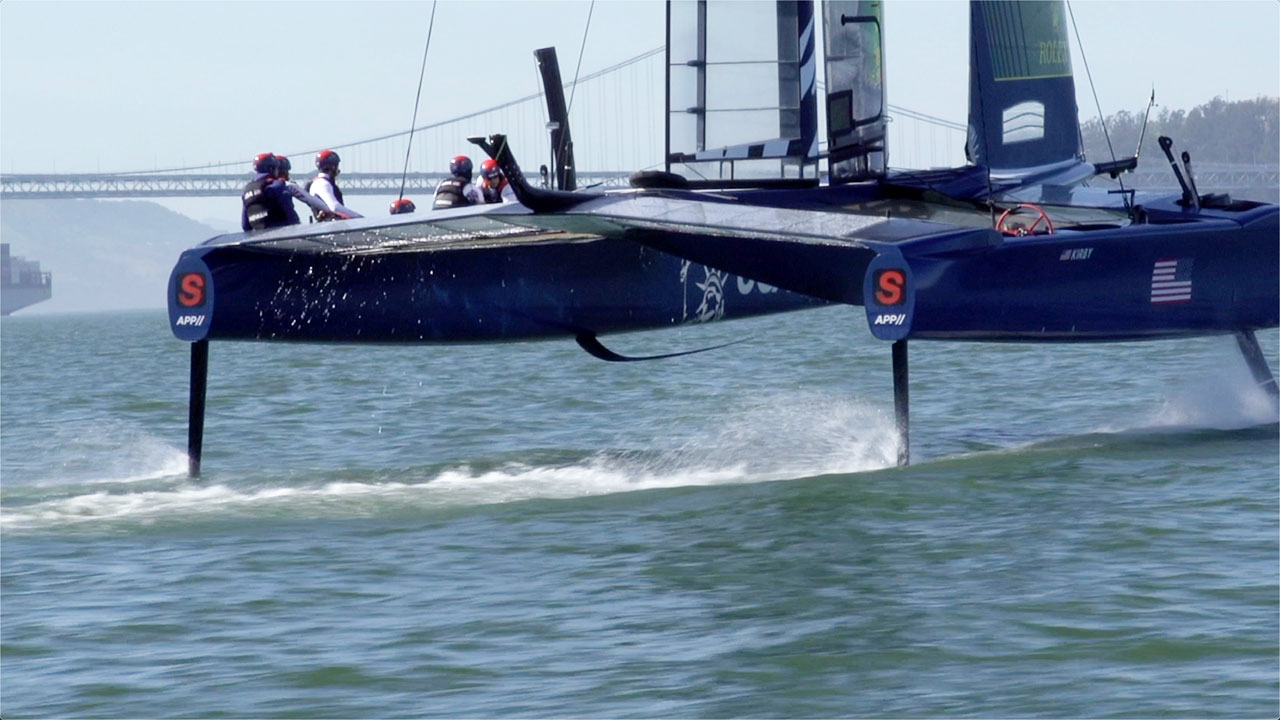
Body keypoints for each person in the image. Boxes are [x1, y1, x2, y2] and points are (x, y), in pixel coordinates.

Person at [241, 152, 299, 232]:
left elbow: (245, 225)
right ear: (272, 169)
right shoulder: (277, 186)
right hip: (281, 234)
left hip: (258, 236)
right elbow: (291, 215)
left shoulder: (246, 191)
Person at [307, 149, 362, 220]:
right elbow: (335, 207)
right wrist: (360, 218)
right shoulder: (322, 184)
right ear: (333, 167)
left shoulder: (320, 183)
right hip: (331, 225)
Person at [273, 155, 333, 220]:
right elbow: (309, 199)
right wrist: (329, 211)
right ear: (282, 171)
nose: (288, 174)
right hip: (285, 223)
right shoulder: (288, 185)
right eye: (287, 171)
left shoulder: (265, 186)